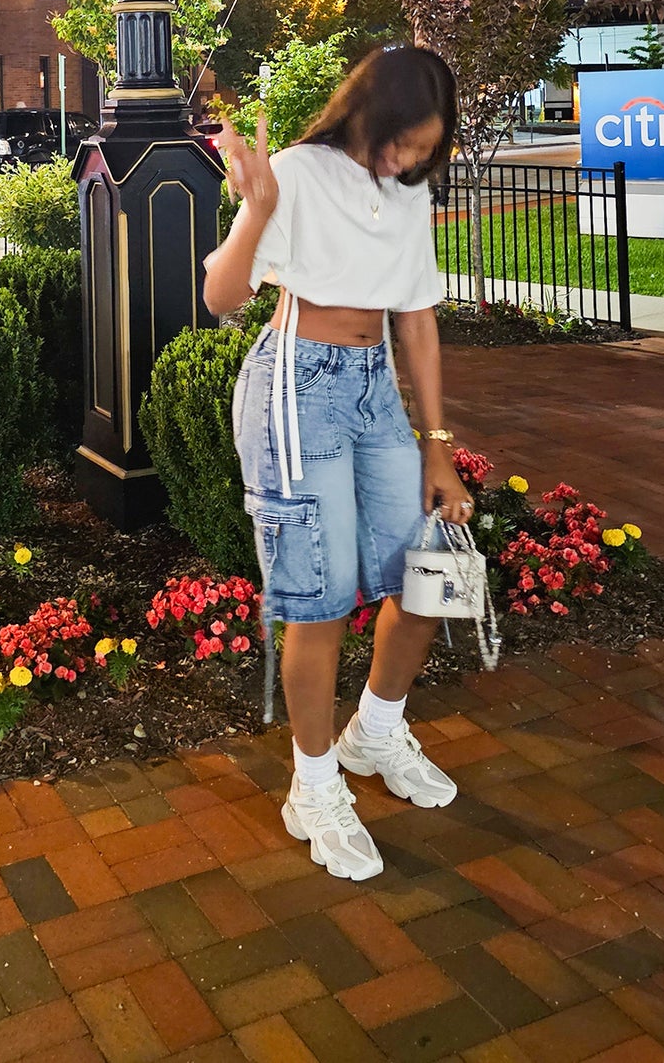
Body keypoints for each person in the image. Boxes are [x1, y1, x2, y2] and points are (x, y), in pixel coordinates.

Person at [203, 45, 475, 883]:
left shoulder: (407, 192)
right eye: (406, 142)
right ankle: (312, 784)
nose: (410, 160)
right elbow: (219, 298)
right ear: (373, 113)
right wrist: (256, 207)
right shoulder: (295, 171)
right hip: (296, 382)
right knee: (316, 600)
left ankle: (376, 730)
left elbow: (418, 318)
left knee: (430, 577)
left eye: (425, 151)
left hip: (373, 393)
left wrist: (438, 447)